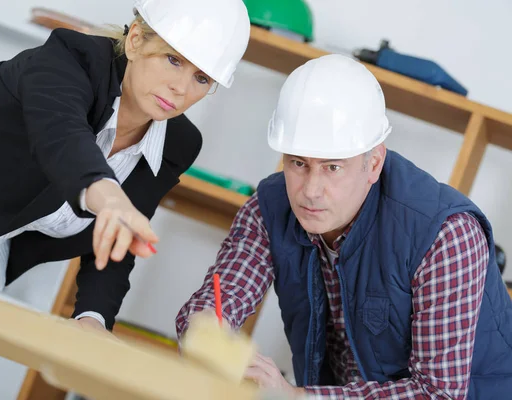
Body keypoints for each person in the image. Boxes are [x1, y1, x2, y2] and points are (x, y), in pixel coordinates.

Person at [0, 0, 251, 397]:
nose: (181, 88)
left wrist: (93, 317)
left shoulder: (177, 143)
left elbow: (120, 240)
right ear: (138, 40)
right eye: (173, 61)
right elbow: (61, 137)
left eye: (202, 78)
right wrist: (106, 196)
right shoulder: (70, 59)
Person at [176, 54, 512, 399]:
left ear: (374, 163)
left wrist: (296, 397)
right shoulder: (268, 209)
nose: (310, 191)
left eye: (332, 167)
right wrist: (207, 336)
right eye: (298, 163)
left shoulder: (445, 236)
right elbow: (222, 297)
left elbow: (437, 394)